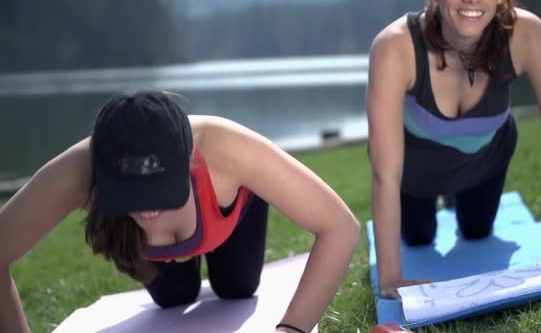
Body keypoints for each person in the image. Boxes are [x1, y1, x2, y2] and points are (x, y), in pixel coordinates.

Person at [0, 89, 361, 333]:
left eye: (158, 192)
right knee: (174, 298)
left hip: (230, 217)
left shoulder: (227, 148)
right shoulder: (78, 171)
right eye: (131, 197)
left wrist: (291, 330)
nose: (146, 210)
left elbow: (340, 226)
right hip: (159, 242)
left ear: (189, 160)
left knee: (237, 288)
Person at [366, 0, 541, 299]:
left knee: (476, 231)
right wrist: (390, 279)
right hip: (416, 173)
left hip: (485, 160)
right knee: (417, 238)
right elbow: (385, 172)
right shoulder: (395, 46)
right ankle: (442, 199)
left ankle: (459, 199)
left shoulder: (526, 34)